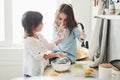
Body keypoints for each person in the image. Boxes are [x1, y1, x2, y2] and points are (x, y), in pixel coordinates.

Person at [22, 11, 66, 77]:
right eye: (41, 22)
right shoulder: (28, 41)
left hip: (40, 70)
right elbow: (41, 56)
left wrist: (61, 39)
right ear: (33, 25)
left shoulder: (39, 35)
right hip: (31, 73)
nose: (43, 24)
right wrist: (56, 54)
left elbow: (49, 45)